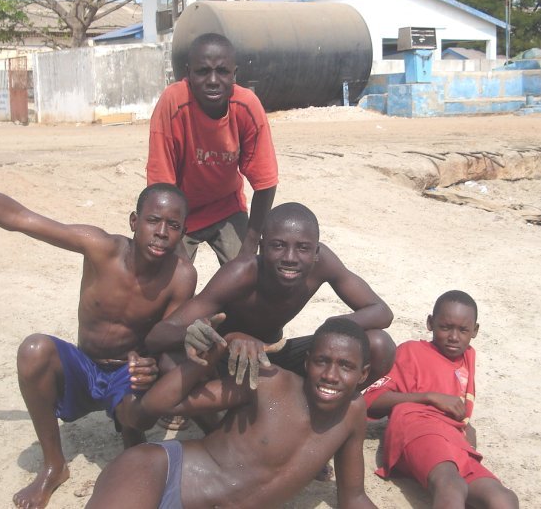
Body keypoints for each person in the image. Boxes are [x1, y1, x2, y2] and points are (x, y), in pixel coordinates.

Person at [0, 163, 197, 509]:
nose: (161, 232)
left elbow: (164, 335)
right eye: (153, 221)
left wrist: (148, 364)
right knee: (34, 349)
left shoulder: (181, 276)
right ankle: (54, 465)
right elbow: (18, 218)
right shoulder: (100, 247)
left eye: (173, 226)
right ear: (134, 221)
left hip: (126, 375)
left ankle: (131, 431)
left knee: (143, 406)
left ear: (183, 232)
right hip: (84, 364)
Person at [88, 318, 378, 509]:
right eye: (322, 361)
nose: (330, 375)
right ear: (307, 362)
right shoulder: (269, 383)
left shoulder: (353, 413)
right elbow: (163, 406)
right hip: (158, 473)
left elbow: (353, 497)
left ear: (364, 374)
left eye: (346, 366)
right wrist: (203, 362)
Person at [145, 202, 395, 390]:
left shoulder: (324, 263)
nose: (290, 257)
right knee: (170, 363)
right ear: (262, 248)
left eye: (303, 248)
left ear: (316, 251)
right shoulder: (240, 274)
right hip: (227, 357)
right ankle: (220, 430)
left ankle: (325, 413)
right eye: (278, 246)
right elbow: (158, 337)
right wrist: (200, 335)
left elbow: (381, 311)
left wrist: (330, 329)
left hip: (276, 355)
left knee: (379, 345)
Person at [363, 290, 519, 509]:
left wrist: (465, 425)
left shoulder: (467, 359)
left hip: (453, 439)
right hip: (418, 426)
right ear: (430, 323)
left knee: (503, 498)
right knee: (451, 485)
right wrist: (428, 397)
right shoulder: (412, 351)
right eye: (445, 327)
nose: (454, 337)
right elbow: (371, 401)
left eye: (463, 330)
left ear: (474, 331)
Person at [147, 32, 278, 264]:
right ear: (188, 73)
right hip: (179, 210)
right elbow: (161, 185)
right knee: (167, 276)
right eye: (203, 71)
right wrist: (174, 252)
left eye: (223, 71)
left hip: (226, 206)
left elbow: (266, 182)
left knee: (245, 278)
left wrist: (249, 245)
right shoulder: (172, 103)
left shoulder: (246, 107)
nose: (213, 80)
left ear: (234, 75)